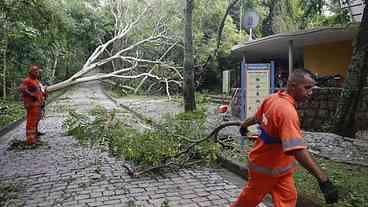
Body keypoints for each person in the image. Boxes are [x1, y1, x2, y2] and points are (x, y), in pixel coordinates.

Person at [232, 68, 338, 207]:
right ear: (292, 85)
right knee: (249, 200)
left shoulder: (273, 98)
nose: (310, 93)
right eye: (307, 88)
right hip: (265, 169)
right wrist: (323, 179)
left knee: (288, 199)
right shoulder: (286, 112)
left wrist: (243, 126)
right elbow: (297, 149)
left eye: (311, 88)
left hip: (281, 169)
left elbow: (256, 118)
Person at [18, 64, 45, 145]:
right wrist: (31, 94)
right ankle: (30, 140)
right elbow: (21, 89)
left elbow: (40, 91)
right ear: (31, 72)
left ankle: (35, 136)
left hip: (38, 104)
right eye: (36, 72)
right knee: (31, 122)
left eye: (38, 72)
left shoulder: (36, 81)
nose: (37, 73)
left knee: (36, 120)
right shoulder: (27, 80)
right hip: (32, 104)